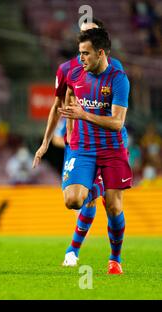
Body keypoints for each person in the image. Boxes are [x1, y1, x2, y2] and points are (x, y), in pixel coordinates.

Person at [33, 19, 124, 268]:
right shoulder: (67, 70)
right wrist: (46, 142)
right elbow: (58, 106)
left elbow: (117, 115)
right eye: (82, 33)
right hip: (80, 144)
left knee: (112, 206)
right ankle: (74, 249)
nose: (84, 36)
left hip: (108, 143)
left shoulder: (114, 70)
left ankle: (80, 252)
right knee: (77, 200)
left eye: (89, 33)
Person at [59, 28, 131, 275]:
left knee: (113, 207)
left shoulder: (118, 78)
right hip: (84, 149)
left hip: (112, 149)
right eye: (80, 53)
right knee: (74, 200)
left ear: (100, 53)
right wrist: (68, 128)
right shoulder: (75, 74)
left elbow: (117, 122)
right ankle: (95, 187)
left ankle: (115, 258)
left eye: (86, 53)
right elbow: (67, 95)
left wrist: (83, 115)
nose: (81, 59)